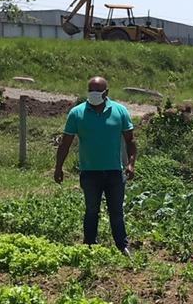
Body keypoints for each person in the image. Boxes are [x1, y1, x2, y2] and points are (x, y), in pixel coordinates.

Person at [54, 76, 137, 258]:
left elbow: (130, 141)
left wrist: (130, 164)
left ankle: (122, 246)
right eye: (90, 91)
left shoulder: (120, 111)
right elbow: (65, 143)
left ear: (106, 93)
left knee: (116, 211)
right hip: (90, 173)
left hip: (114, 171)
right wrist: (58, 167)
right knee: (91, 210)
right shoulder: (77, 113)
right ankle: (90, 245)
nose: (93, 95)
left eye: (97, 92)